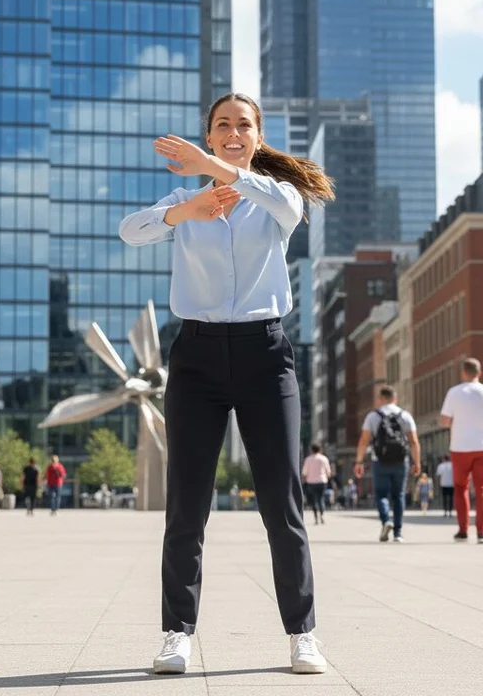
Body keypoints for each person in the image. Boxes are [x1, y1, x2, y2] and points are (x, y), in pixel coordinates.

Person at [119, 92, 335, 675]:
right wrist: (182, 213)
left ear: (257, 138)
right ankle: (176, 633)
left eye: (244, 126)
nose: (233, 132)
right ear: (208, 134)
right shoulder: (186, 200)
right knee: (186, 505)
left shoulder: (277, 198)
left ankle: (303, 634)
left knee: (281, 503)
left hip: (267, 355)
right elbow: (130, 231)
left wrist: (217, 170)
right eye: (223, 126)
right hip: (197, 358)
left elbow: (283, 202)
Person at [439, 358, 483, 544]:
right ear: (480, 373)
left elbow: (444, 420)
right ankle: (482, 532)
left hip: (460, 447)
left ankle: (462, 530)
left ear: (463, 373)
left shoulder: (454, 392)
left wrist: (458, 422)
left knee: (461, 488)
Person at [354, 386, 422, 544]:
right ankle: (398, 532)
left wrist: (359, 461)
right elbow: (414, 442)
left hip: (380, 460)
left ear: (381, 399)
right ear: (395, 398)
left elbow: (364, 441)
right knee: (398, 495)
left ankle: (386, 521)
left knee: (381, 494)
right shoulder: (405, 415)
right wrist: (417, 462)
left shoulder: (373, 416)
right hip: (400, 461)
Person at [301, 444, 331, 525]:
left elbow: (304, 472)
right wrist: (327, 477)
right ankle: (322, 515)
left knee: (314, 500)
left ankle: (316, 518)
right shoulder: (324, 458)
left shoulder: (308, 459)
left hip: (311, 482)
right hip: (322, 481)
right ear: (320, 449)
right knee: (321, 498)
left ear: (312, 450)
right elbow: (328, 471)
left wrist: (304, 479)